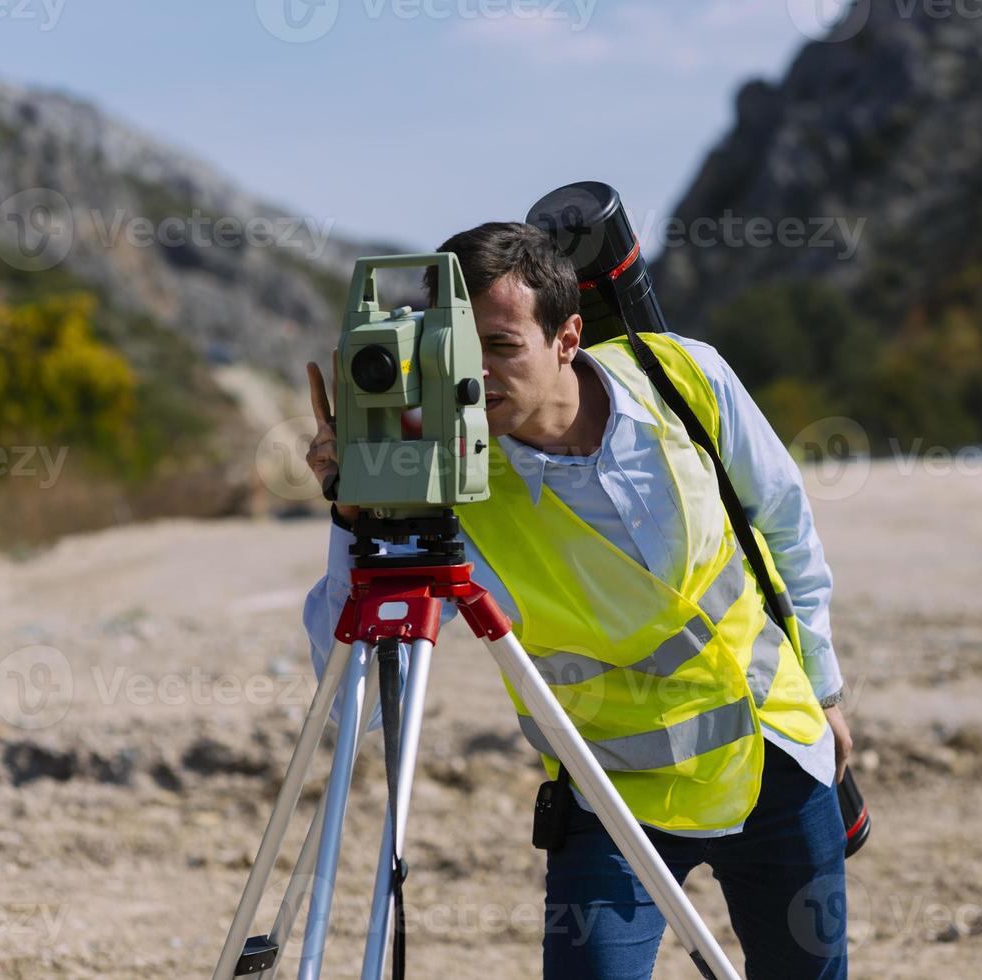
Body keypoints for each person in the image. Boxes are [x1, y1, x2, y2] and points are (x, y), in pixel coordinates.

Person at [301, 222, 850, 979]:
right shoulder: (440, 477)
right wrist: (354, 511)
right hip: (608, 791)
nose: (472, 374)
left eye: (498, 346)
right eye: (452, 347)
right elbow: (352, 700)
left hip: (775, 756)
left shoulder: (682, 378)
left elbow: (784, 524)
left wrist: (823, 688)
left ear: (566, 337)